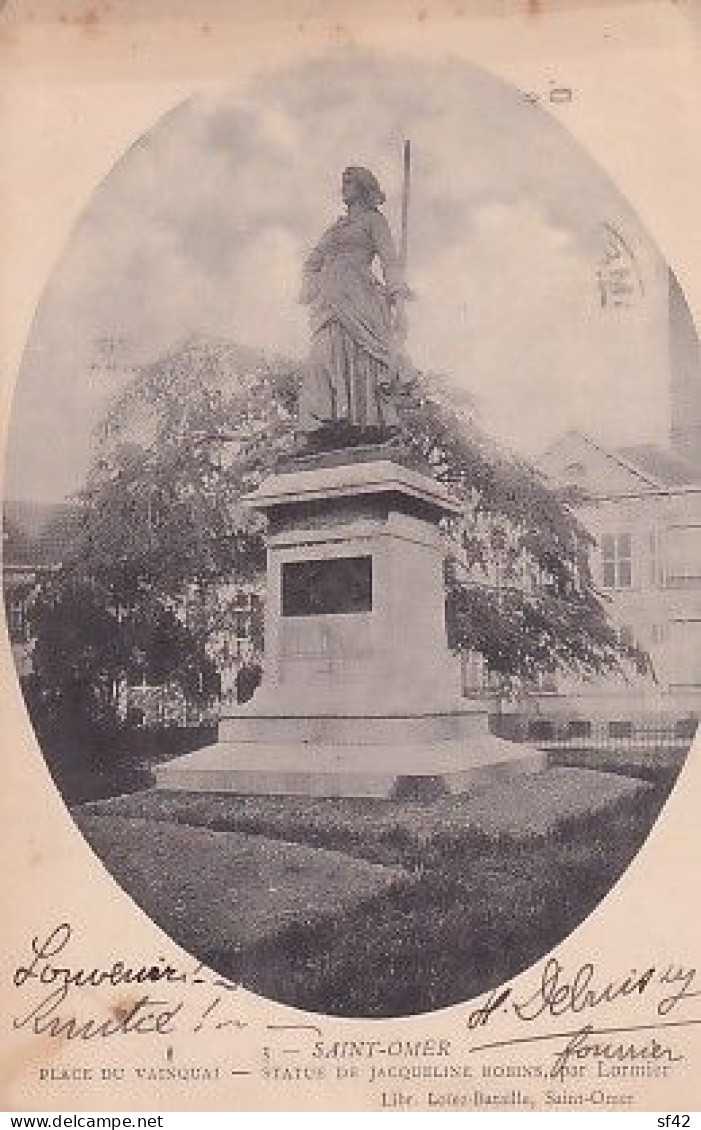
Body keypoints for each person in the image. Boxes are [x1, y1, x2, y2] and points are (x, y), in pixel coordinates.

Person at [298, 165, 414, 446]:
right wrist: (312, 283)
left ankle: (371, 427)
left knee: (363, 360)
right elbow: (311, 262)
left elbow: (390, 261)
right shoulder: (334, 229)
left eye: (349, 181)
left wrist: (399, 300)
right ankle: (322, 426)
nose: (344, 186)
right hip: (330, 304)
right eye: (342, 181)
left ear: (364, 187)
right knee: (321, 359)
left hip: (361, 300)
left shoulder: (374, 221)